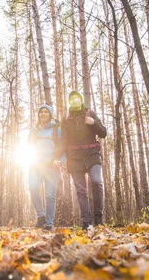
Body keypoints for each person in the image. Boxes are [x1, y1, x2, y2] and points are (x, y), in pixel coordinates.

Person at [56, 91, 107, 229]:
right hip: (74, 157)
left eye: (77, 98)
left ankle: (99, 219)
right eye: (71, 99)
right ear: (69, 102)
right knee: (81, 190)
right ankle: (86, 222)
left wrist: (94, 123)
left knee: (97, 181)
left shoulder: (90, 113)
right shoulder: (66, 118)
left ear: (81, 100)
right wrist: (58, 157)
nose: (74, 101)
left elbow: (103, 133)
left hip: (92, 154)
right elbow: (63, 140)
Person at [28, 105, 63, 230]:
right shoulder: (34, 131)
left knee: (50, 196)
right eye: (41, 112)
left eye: (46, 112)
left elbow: (62, 146)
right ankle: (41, 216)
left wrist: (60, 160)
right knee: (32, 187)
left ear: (50, 114)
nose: (43, 114)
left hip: (52, 166)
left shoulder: (56, 129)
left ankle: (49, 224)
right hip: (36, 165)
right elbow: (29, 147)